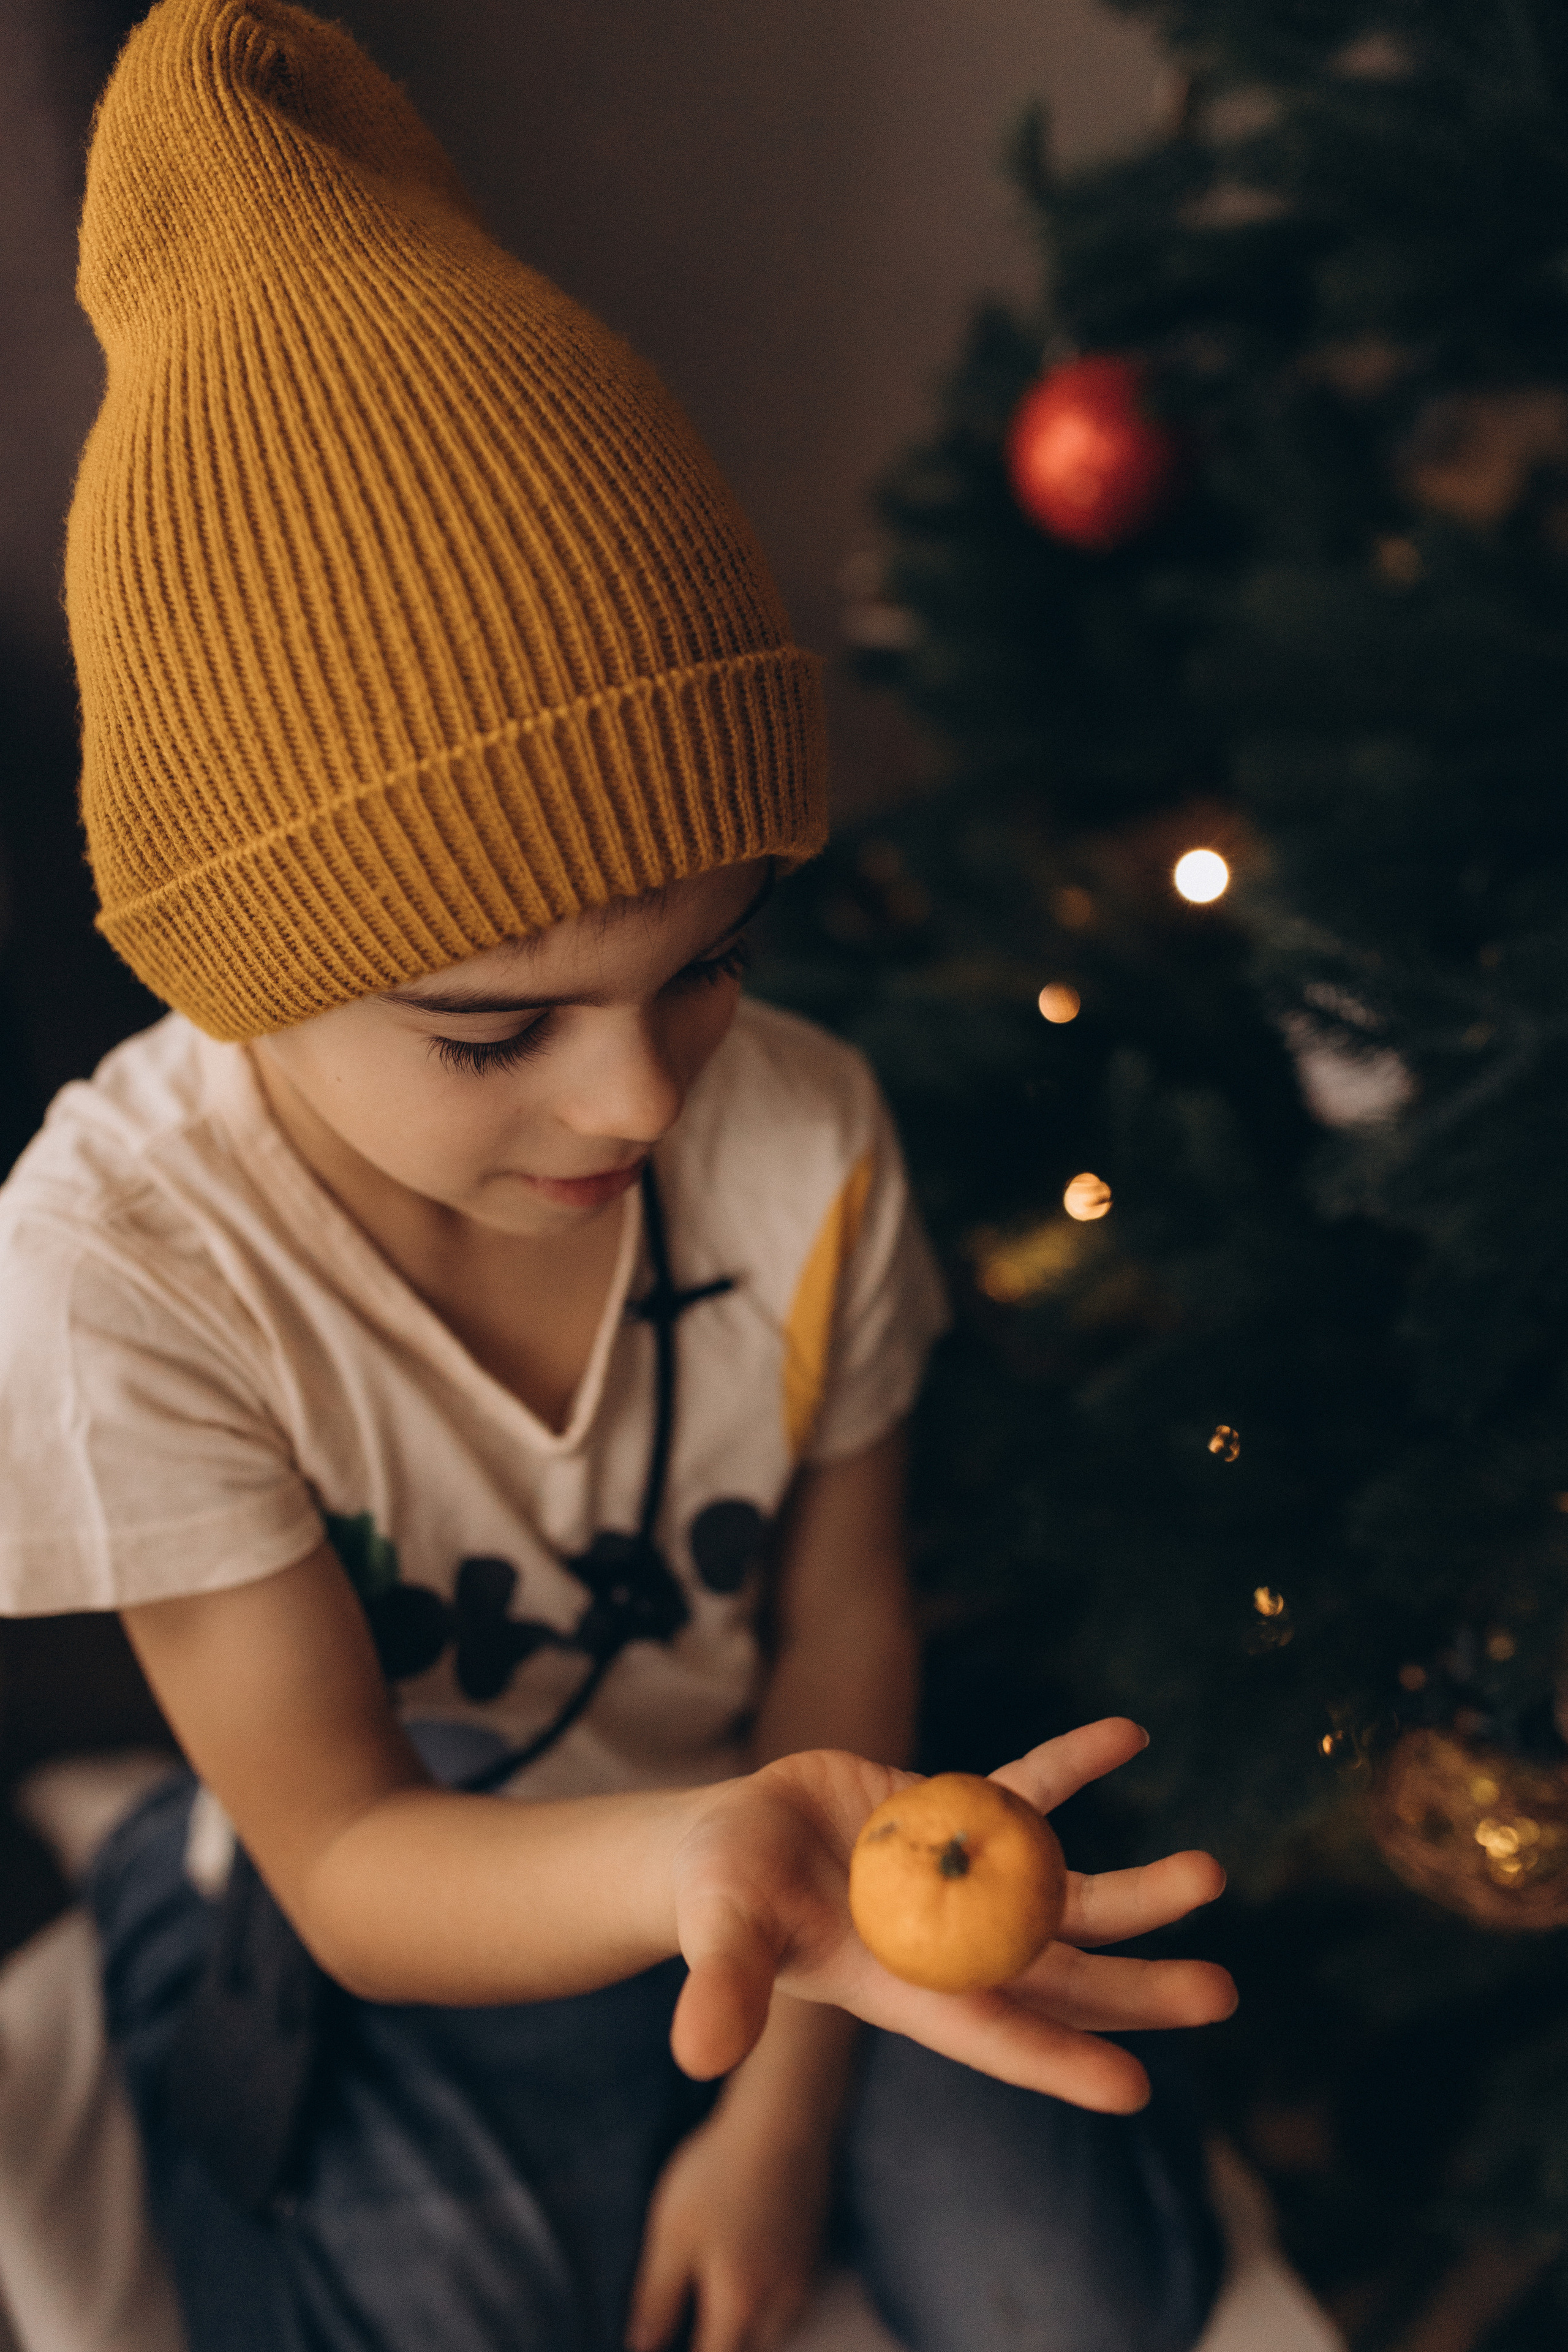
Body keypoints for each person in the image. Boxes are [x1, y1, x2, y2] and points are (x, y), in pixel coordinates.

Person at [0, 3, 1237, 2347]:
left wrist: (772, 2088)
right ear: (247, 976)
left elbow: (842, 1627)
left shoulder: (806, 1133)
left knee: (1079, 2286)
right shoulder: (116, 1275)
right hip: (405, 1887)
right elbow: (358, 1851)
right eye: (494, 1032)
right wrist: (693, 1869)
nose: (645, 1105)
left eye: (706, 967)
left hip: (810, 1831)